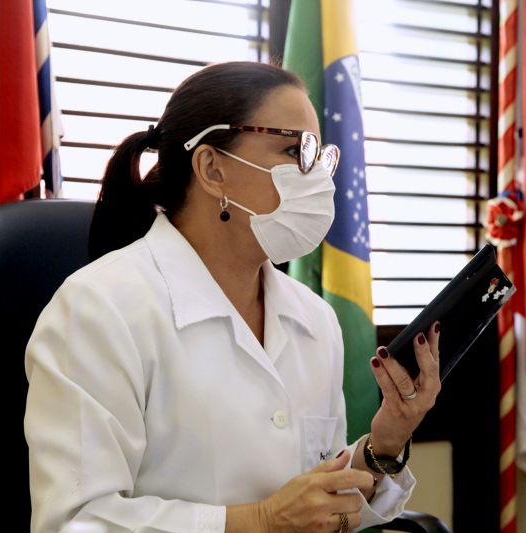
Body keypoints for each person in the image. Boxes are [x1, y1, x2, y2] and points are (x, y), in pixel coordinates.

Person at [24, 61, 441, 533]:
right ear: (211, 168)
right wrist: (258, 520)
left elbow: (318, 506)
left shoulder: (315, 319)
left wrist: (383, 446)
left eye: (319, 156)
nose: (317, 179)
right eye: (292, 150)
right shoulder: (98, 309)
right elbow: (75, 522)